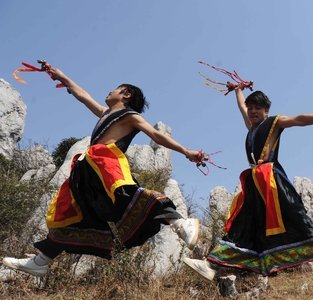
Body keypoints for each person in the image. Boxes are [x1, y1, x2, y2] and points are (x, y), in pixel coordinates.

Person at [2, 66, 204, 277]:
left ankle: (180, 223)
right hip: (87, 171)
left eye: (114, 89)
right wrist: (60, 75)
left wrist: (185, 151)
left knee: (132, 196)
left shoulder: (130, 116)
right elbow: (82, 95)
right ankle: (40, 261)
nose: (108, 91)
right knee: (70, 212)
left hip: (107, 165)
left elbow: (156, 134)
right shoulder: (105, 113)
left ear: (125, 93)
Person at [183, 87, 313, 295]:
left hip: (273, 180)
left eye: (257, 108)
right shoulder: (251, 127)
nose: (252, 111)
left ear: (266, 110)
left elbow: (299, 119)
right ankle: (211, 265)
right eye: (250, 108)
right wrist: (237, 91)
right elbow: (241, 107)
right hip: (253, 184)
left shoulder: (273, 123)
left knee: (297, 218)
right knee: (242, 224)